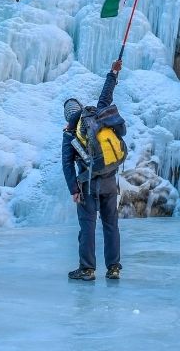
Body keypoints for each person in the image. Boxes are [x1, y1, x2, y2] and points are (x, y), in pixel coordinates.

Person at [61, 60, 124, 281]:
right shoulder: (96, 116)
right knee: (111, 225)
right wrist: (113, 73)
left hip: (88, 185)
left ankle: (87, 269)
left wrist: (73, 189)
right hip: (109, 180)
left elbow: (67, 164)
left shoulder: (70, 134)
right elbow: (106, 95)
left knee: (87, 226)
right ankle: (114, 267)